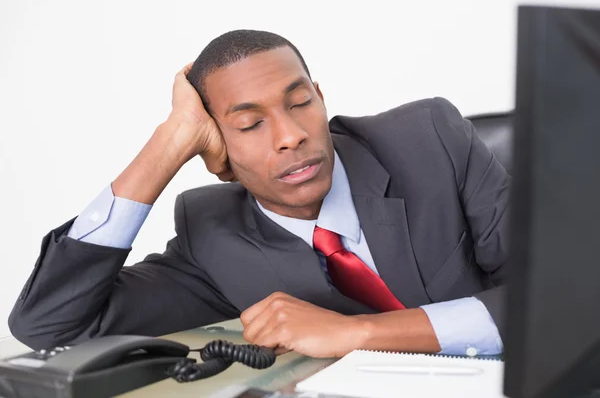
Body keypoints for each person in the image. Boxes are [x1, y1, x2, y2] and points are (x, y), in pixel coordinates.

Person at [8, 30, 509, 358]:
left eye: (299, 102)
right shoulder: (214, 239)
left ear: (320, 96)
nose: (290, 135)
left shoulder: (428, 142)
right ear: (215, 144)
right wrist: (169, 142)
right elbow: (50, 326)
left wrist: (357, 334)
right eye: (249, 124)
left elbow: (568, 297)